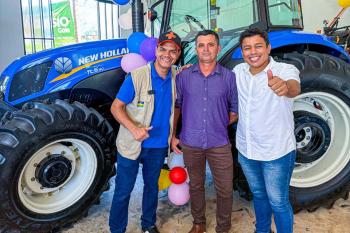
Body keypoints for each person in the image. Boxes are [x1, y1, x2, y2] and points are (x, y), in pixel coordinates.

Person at [109, 31, 182, 233]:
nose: (167, 55)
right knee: (123, 191)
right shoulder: (137, 76)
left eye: (172, 51)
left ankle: (148, 225)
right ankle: (117, 229)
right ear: (156, 50)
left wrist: (173, 134)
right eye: (163, 49)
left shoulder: (177, 75)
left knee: (152, 188)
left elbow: (175, 108)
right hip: (132, 144)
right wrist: (134, 129)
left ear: (178, 54)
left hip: (158, 145)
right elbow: (116, 107)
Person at [233, 28, 301, 233]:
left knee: (278, 201)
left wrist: (284, 87)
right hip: (247, 150)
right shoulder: (238, 72)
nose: (252, 52)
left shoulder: (285, 70)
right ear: (242, 52)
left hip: (277, 152)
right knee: (259, 194)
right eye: (247, 48)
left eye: (258, 46)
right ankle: (262, 230)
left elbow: (294, 87)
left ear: (268, 48)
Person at [171, 30, 238, 233]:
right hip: (191, 142)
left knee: (225, 189)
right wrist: (173, 135)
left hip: (219, 143)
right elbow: (177, 107)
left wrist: (216, 123)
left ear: (218, 48)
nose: (206, 49)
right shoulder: (184, 76)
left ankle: (223, 227)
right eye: (201, 45)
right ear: (196, 49)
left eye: (210, 44)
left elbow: (234, 111)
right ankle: (199, 223)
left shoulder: (229, 77)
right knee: (196, 186)